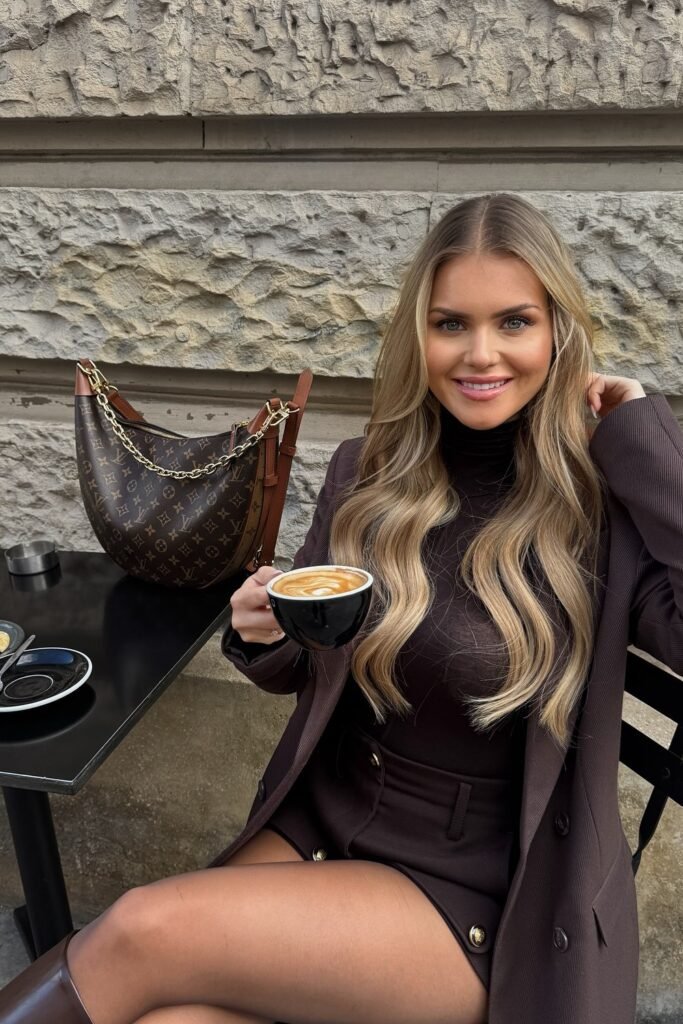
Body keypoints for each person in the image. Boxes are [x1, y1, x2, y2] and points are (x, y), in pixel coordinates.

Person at [1, 192, 681, 1024]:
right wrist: (261, 637)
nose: (480, 354)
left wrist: (643, 437)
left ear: (556, 333)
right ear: (417, 334)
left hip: (479, 900)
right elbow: (314, 658)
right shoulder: (372, 471)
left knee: (142, 926)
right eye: (449, 324)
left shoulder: (601, 509)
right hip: (326, 818)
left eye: (513, 322)